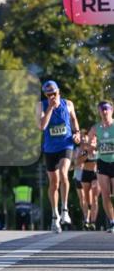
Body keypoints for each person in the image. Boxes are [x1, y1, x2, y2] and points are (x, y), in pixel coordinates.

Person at [36, 80, 80, 233]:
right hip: (50, 149)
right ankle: (55, 216)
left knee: (63, 173)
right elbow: (41, 126)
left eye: (53, 94)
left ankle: (65, 209)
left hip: (66, 145)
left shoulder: (68, 104)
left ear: (58, 92)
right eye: (48, 95)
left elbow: (74, 119)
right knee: (53, 184)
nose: (51, 97)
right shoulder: (41, 106)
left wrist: (77, 133)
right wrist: (49, 108)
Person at [87, 100, 114, 233]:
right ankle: (112, 222)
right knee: (105, 194)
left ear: (111, 110)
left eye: (106, 109)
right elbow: (89, 142)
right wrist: (91, 147)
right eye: (101, 109)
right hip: (102, 162)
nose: (104, 112)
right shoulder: (96, 128)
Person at [73, 133, 99, 230]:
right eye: (90, 140)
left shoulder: (100, 148)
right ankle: (86, 219)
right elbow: (77, 162)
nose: (91, 142)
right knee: (86, 200)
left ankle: (93, 222)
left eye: (93, 140)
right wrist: (87, 154)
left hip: (96, 174)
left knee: (95, 197)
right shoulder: (83, 150)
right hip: (84, 174)